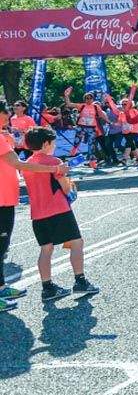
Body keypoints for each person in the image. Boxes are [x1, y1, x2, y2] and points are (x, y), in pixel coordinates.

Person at [0, 107, 72, 310]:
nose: (7, 123)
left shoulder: (2, 137)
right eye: (4, 119)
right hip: (1, 200)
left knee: (3, 248)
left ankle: (2, 286)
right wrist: (54, 169)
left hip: (6, 199)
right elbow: (20, 165)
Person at [21, 127, 99, 303]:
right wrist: (71, 188)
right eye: (53, 142)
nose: (54, 145)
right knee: (77, 243)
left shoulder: (26, 165)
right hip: (58, 210)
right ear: (46, 143)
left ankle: (47, 287)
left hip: (37, 213)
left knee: (46, 249)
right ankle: (80, 281)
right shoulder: (53, 161)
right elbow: (64, 186)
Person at [63, 88, 112, 165]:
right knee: (77, 140)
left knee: (91, 145)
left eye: (90, 98)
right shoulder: (82, 106)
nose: (88, 99)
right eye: (86, 98)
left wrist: (109, 122)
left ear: (93, 99)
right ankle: (73, 152)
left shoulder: (96, 107)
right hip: (81, 126)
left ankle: (92, 162)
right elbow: (69, 104)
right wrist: (66, 96)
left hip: (91, 128)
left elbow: (102, 115)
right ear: (84, 99)